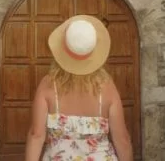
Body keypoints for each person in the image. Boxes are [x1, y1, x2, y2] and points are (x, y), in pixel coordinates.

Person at [24, 15, 134, 161]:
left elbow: (36, 135)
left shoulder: (49, 84)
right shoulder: (107, 86)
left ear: (62, 50)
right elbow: (122, 139)